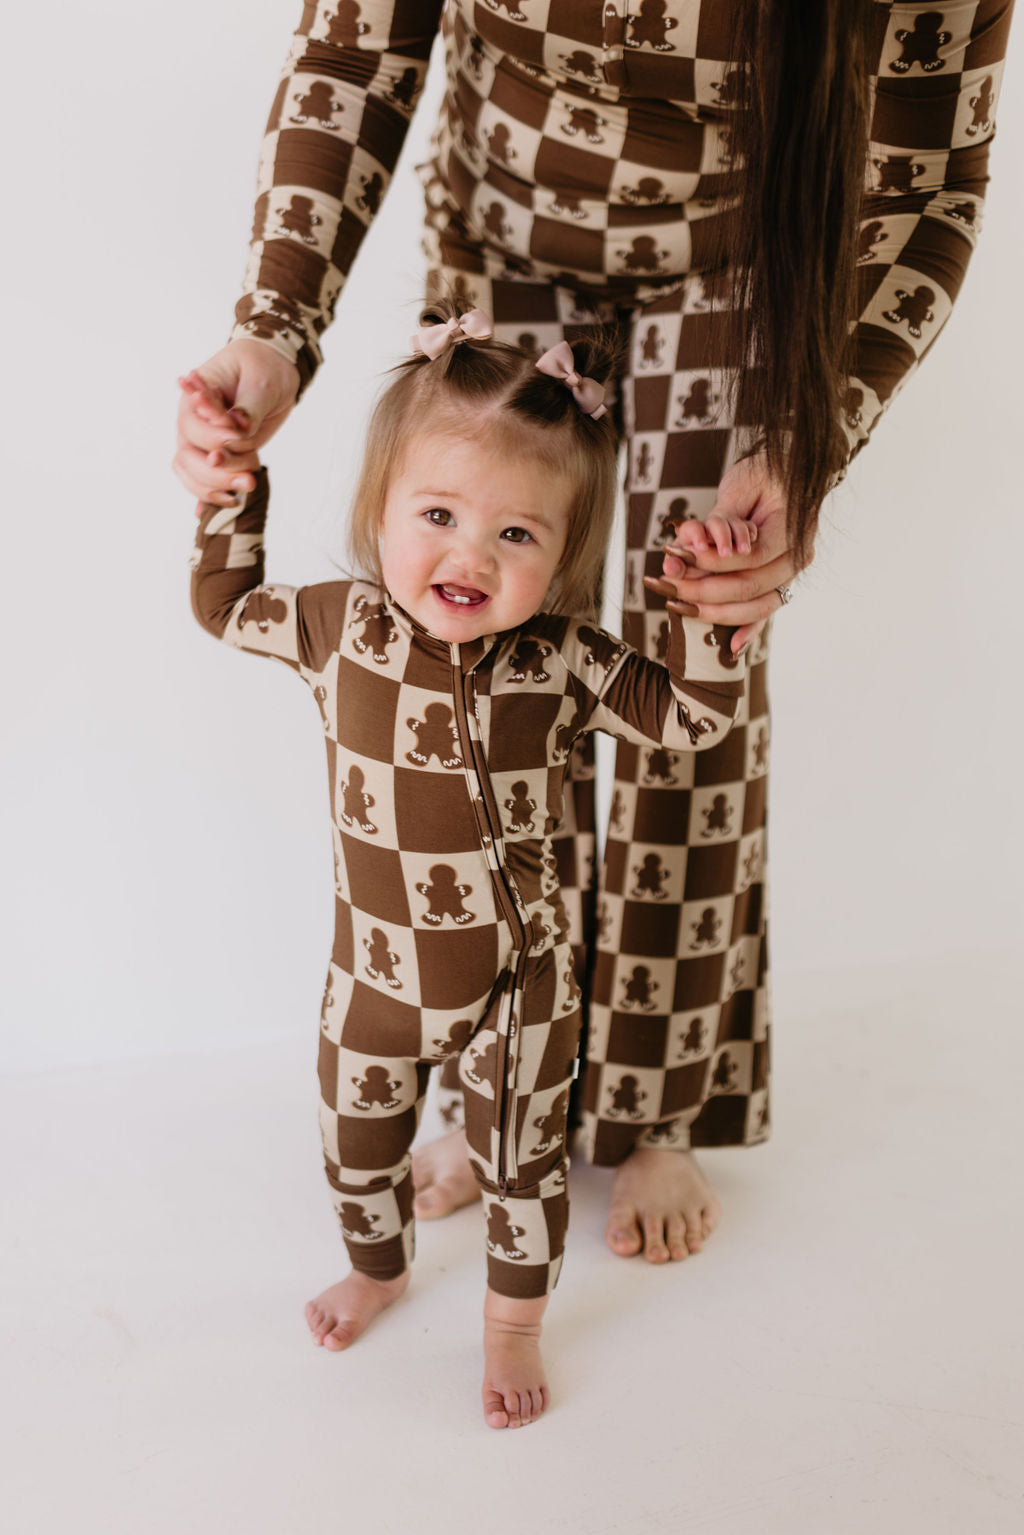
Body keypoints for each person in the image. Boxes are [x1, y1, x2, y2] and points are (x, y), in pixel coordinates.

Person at [174, 0, 1016, 1263]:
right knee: (480, 670)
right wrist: (273, 324)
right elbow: (358, 43)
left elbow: (931, 170)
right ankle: (484, 1079)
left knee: (697, 653)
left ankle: (653, 1102)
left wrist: (812, 425)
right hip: (505, 221)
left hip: (744, 258)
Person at [187, 306, 751, 1426]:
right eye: (437, 514)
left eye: (517, 535)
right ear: (379, 510)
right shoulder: (333, 624)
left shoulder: (562, 657)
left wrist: (705, 617)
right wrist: (233, 495)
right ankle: (381, 1265)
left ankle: (511, 1327)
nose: (468, 554)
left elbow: (686, 717)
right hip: (374, 977)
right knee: (354, 1139)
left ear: (563, 556)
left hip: (519, 981)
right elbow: (218, 604)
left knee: (523, 1163)